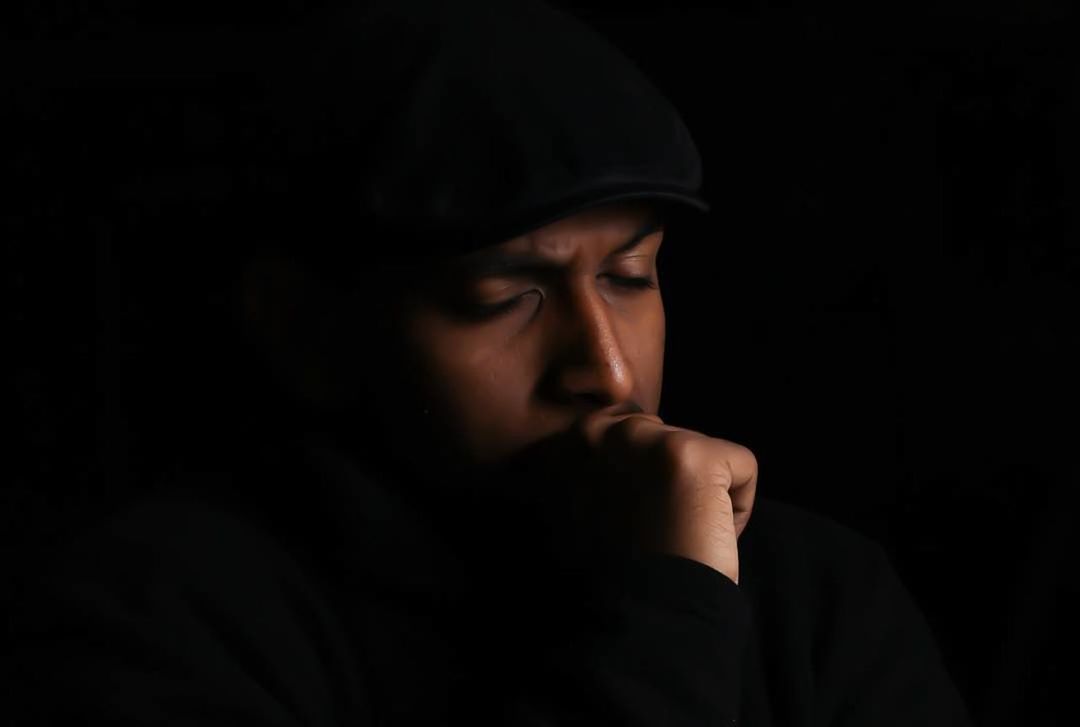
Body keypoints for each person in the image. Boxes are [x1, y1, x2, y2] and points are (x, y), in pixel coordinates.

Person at [5, 1, 972, 724]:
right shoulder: (160, 621)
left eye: (632, 276)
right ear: (303, 328)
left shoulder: (817, 597)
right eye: (504, 299)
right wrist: (671, 611)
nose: (604, 369)